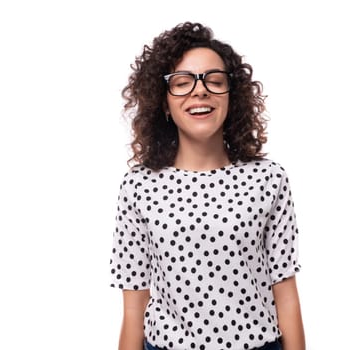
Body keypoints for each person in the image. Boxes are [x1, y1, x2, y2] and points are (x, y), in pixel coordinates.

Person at [109, 22, 305, 350]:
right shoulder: (138, 187)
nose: (200, 91)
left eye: (214, 81)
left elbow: (286, 296)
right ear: (164, 102)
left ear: (232, 96)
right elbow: (133, 308)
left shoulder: (269, 179)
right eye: (182, 83)